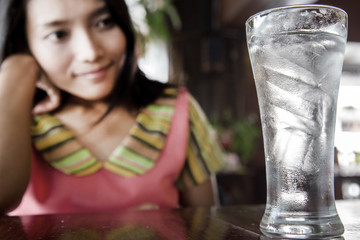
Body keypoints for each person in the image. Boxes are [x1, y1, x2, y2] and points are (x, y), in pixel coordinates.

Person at [0, 0, 224, 215]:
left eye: (104, 22)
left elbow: (206, 226)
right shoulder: (17, 116)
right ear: (25, 45)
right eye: (58, 34)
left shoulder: (178, 110)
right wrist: (15, 71)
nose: (90, 52)